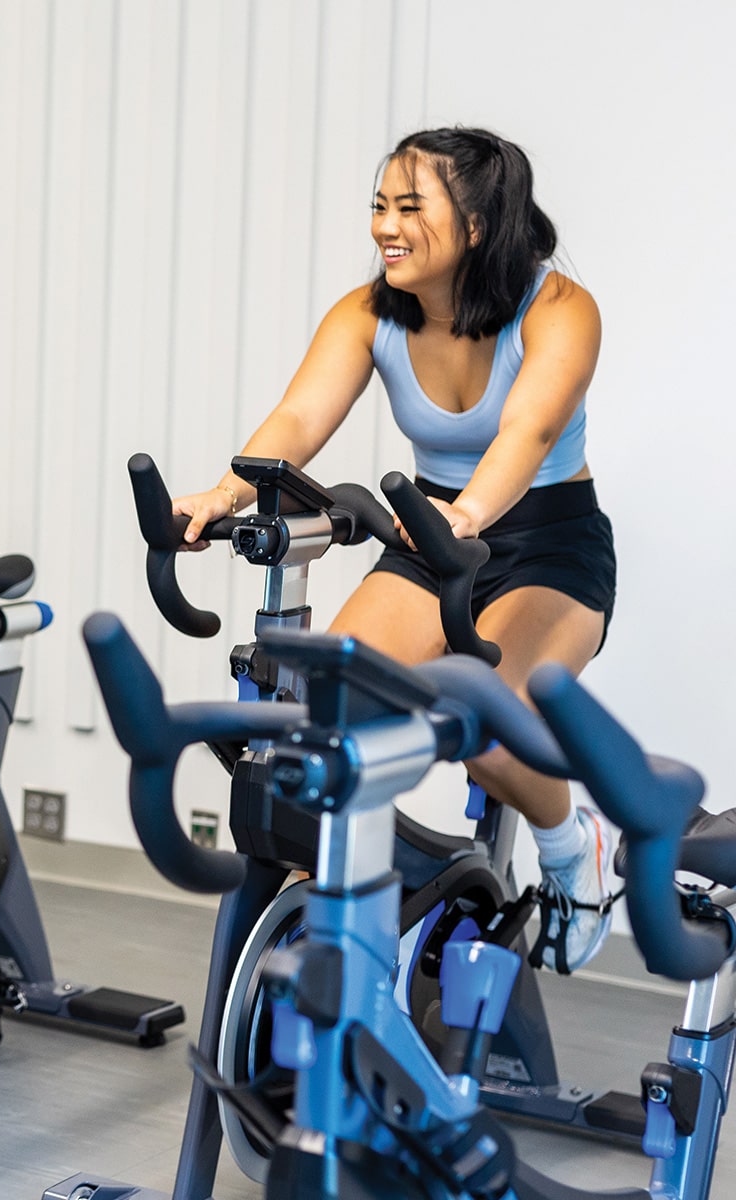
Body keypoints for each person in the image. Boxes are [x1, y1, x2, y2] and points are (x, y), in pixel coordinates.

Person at [171, 127, 615, 973]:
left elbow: (531, 431)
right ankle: (347, 909)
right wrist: (226, 494)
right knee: (324, 730)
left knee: (487, 722)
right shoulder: (368, 311)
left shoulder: (559, 309)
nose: (385, 225)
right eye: (380, 205)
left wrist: (471, 511)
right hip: (429, 541)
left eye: (410, 207)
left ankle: (570, 845)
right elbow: (299, 421)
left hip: (546, 544)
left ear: (478, 224)